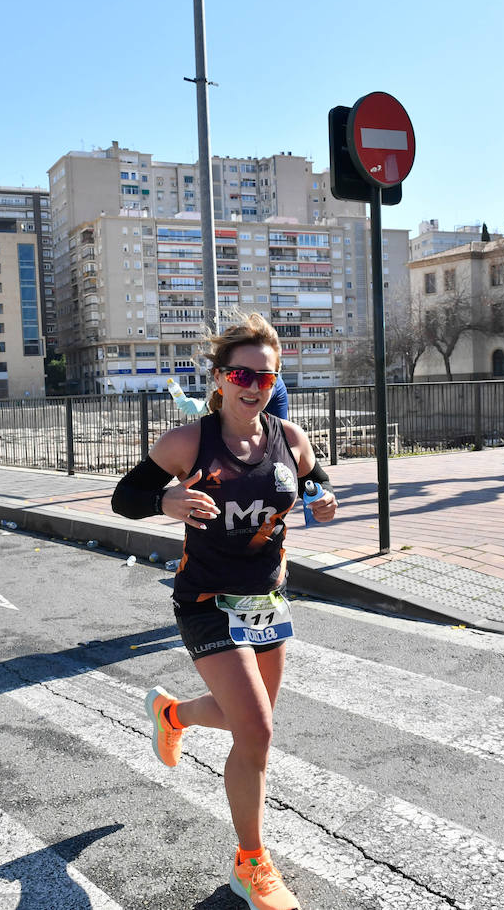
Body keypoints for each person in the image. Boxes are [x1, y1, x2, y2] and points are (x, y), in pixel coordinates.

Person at [111, 312, 337, 910]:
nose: (253, 385)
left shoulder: (290, 439)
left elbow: (314, 482)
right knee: (258, 729)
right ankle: (251, 863)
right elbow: (124, 498)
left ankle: (173, 715)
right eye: (241, 373)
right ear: (218, 377)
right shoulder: (190, 441)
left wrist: (323, 497)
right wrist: (168, 498)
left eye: (265, 377)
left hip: (266, 600)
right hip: (207, 600)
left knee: (249, 724)